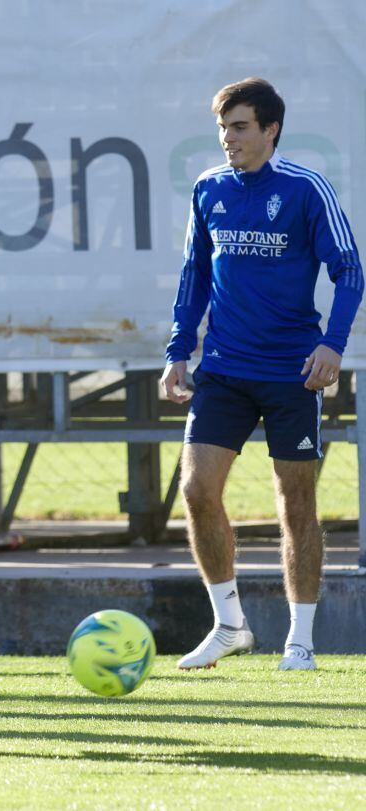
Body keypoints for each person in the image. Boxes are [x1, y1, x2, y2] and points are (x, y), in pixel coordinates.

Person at [162, 77, 363, 672]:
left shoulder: (306, 190)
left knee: (295, 500)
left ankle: (300, 639)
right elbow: (194, 274)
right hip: (222, 369)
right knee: (197, 491)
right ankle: (229, 625)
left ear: (271, 129)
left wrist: (332, 345)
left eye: (240, 126)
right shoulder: (208, 188)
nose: (229, 138)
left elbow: (349, 272)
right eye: (223, 127)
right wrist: (178, 351)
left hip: (292, 373)